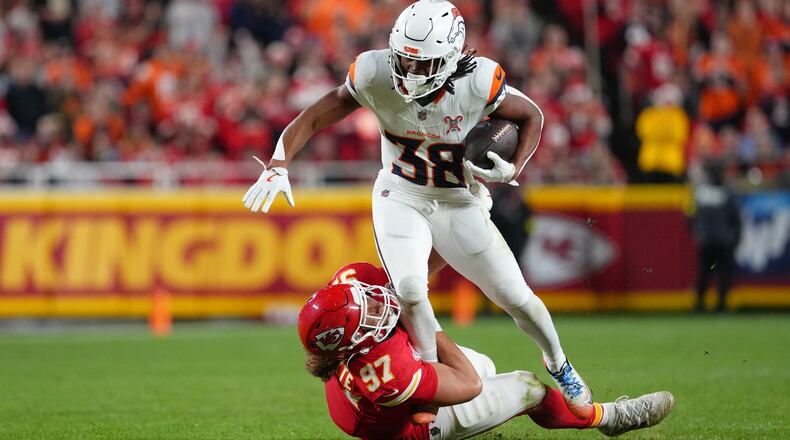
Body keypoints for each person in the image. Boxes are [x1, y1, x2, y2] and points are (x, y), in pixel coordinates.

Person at [243, 0, 594, 418]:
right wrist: (280, 162)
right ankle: (429, 387)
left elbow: (531, 115)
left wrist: (514, 167)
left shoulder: (479, 82)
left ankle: (560, 363)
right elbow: (317, 115)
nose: (409, 73)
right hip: (401, 194)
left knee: (518, 298)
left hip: (457, 200)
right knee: (409, 289)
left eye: (422, 64)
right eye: (403, 61)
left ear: (449, 59)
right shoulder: (373, 74)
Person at [297, 262, 675, 440]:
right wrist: (428, 322)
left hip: (368, 404)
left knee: (486, 364)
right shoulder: (388, 371)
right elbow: (470, 384)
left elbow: (407, 273)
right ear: (355, 343)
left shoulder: (352, 293)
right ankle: (608, 418)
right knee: (527, 388)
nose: (379, 301)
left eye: (366, 300)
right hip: (410, 430)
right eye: (370, 311)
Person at [691, 159, 742, 312]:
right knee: (723, 274)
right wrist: (736, 238)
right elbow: (736, 218)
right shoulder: (727, 192)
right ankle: (721, 305)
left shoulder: (701, 193)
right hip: (723, 240)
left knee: (704, 273)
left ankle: (700, 305)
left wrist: (697, 233)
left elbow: (690, 217)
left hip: (706, 240)